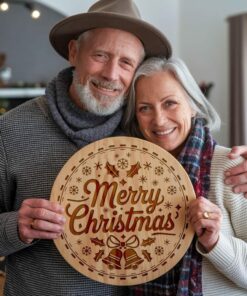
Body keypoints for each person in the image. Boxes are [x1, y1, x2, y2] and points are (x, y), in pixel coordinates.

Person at [0, 0, 246, 295]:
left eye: (127, 62)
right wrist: (15, 227)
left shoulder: (144, 138)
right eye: (100, 55)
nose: (111, 73)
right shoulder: (11, 130)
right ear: (74, 52)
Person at [122, 56, 247, 295]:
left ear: (193, 105)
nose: (158, 120)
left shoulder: (233, 168)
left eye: (170, 103)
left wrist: (215, 242)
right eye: (145, 108)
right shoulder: (130, 176)